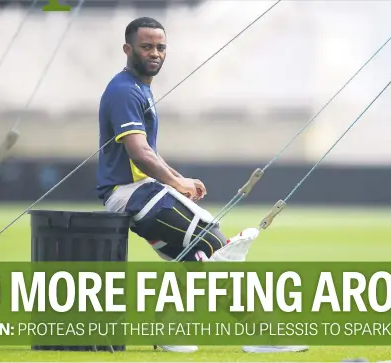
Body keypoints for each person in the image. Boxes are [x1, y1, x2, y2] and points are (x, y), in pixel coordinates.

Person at [96, 16, 308, 354]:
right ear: (128, 49)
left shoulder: (139, 88)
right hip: (129, 195)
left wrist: (176, 180)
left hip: (144, 192)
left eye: (161, 47)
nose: (155, 53)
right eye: (146, 46)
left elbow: (147, 152)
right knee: (211, 242)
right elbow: (139, 152)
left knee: (196, 256)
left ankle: (167, 329)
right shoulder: (124, 90)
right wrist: (176, 181)